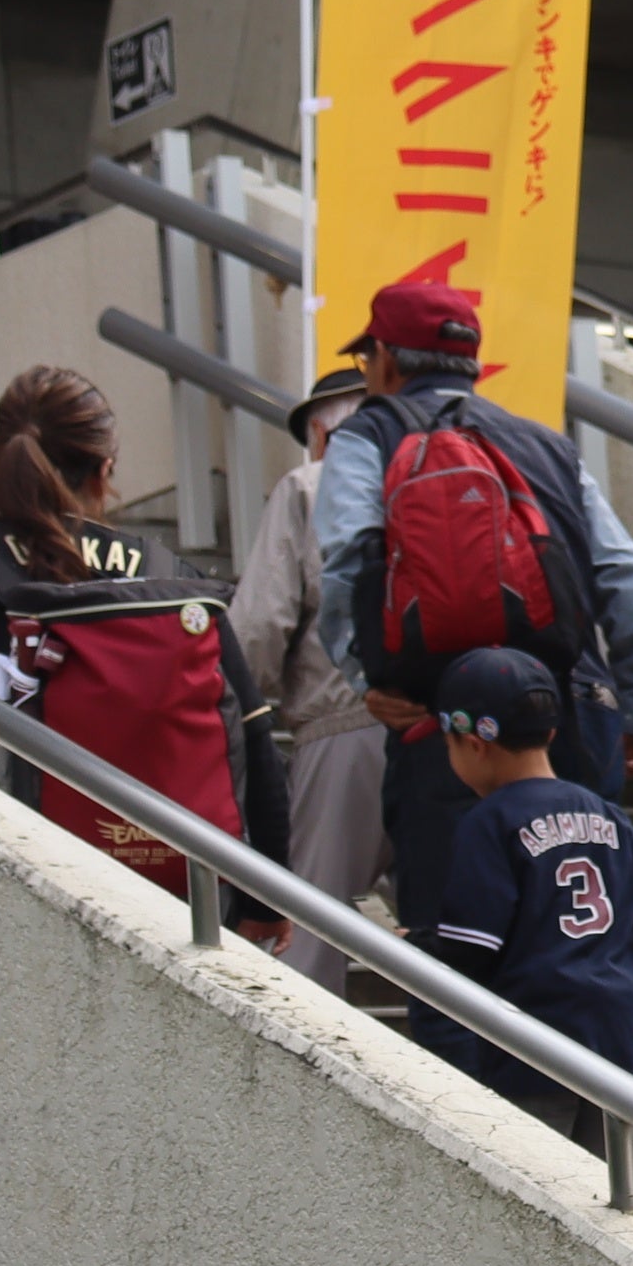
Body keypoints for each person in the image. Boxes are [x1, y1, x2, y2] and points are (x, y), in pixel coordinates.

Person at [314, 279, 633, 940]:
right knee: (586, 937)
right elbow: (623, 571)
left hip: (450, 723)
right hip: (572, 714)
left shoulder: (369, 435)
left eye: (367, 361)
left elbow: (346, 564)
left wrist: (373, 682)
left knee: (460, 946)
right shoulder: (546, 445)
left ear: (386, 359)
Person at [0, 365, 293, 934]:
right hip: (154, 902)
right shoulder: (171, 584)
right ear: (105, 471)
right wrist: (267, 904)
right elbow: (252, 740)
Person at [405, 648, 633, 1136]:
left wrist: (417, 944)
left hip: (534, 1057)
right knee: (612, 1203)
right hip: (625, 1054)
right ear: (550, 731)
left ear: (474, 743)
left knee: (535, 1201)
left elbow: (470, 953)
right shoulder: (609, 815)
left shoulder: (489, 823)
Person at [232, 363, 379, 990]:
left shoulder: (307, 486)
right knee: (451, 925)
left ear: (320, 438)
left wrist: (236, 706)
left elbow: (258, 629)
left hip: (342, 726)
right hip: (456, 732)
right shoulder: (431, 478)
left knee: (309, 931)